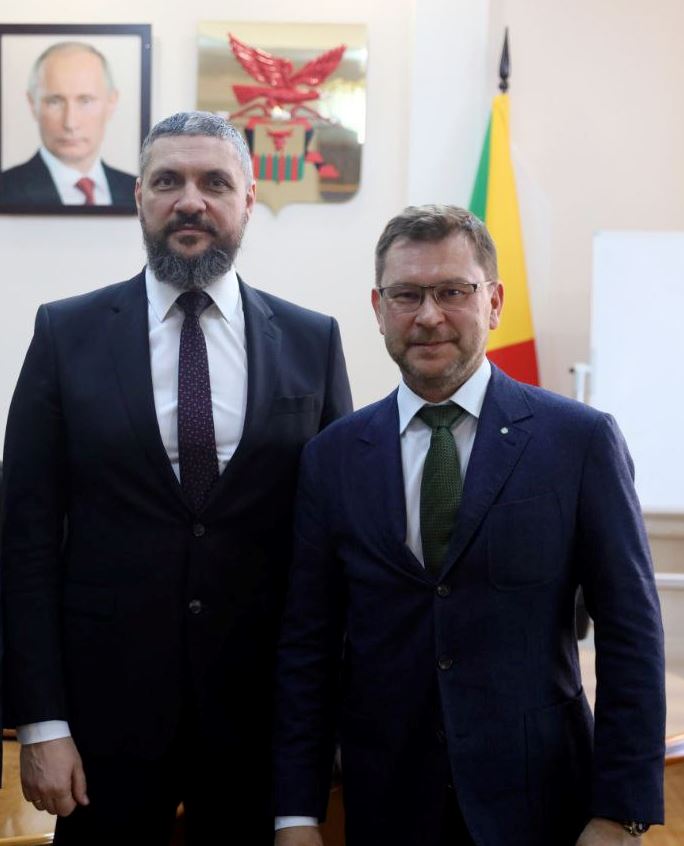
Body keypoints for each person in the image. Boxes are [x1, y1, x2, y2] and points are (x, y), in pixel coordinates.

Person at [0, 110, 352, 845]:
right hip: (104, 725)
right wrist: (41, 722)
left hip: (257, 724)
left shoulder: (312, 341)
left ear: (247, 200)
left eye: (214, 182)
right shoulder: (64, 334)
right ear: (139, 198)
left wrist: (328, 723)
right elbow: (23, 541)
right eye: (168, 181)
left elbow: (334, 547)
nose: (190, 201)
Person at [272, 205, 665, 846]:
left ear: (494, 302)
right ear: (378, 309)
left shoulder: (578, 441)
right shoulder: (332, 457)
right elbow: (307, 647)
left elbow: (632, 633)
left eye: (453, 291)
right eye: (406, 294)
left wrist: (621, 812)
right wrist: (295, 813)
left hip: (544, 805)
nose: (429, 315)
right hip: (388, 808)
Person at [0, 41, 136, 210]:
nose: (70, 123)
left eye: (85, 101)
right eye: (54, 102)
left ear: (111, 103)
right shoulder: (6, 190)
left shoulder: (137, 192)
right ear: (32, 104)